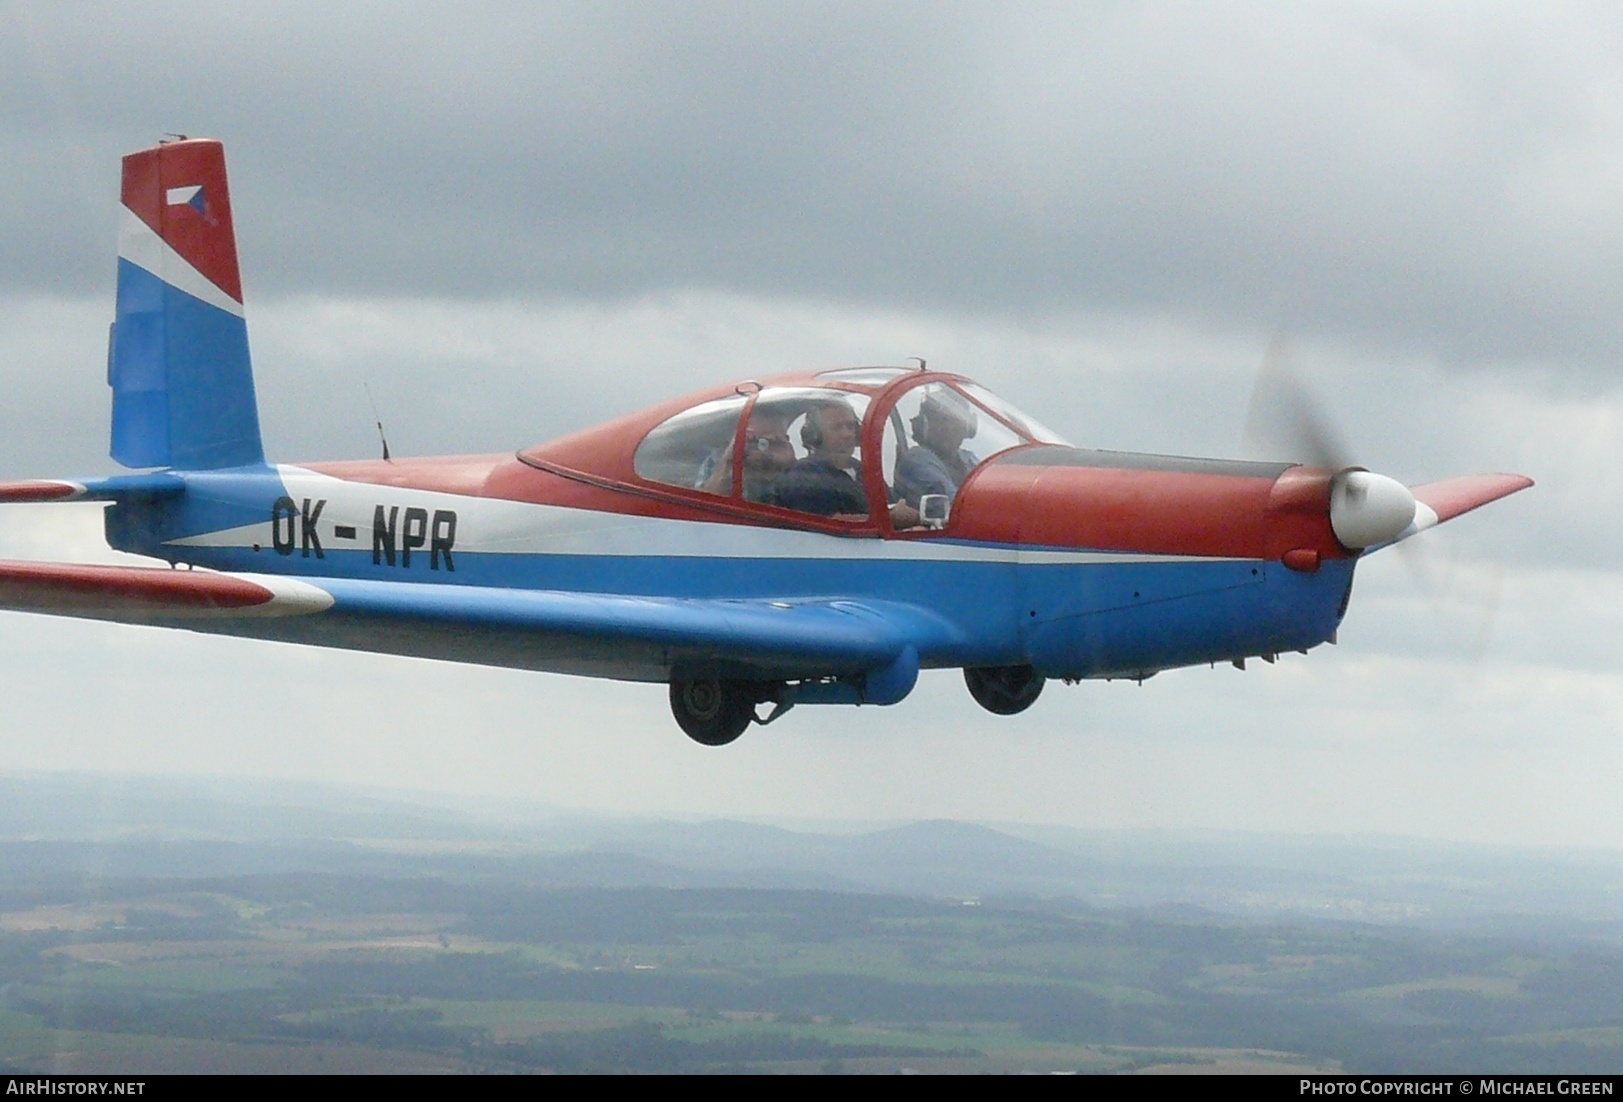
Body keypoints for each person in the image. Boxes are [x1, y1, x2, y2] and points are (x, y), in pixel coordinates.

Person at [768, 400, 920, 527]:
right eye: (837, 427)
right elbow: (829, 524)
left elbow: (891, 504)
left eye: (850, 426)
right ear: (813, 435)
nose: (847, 434)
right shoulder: (803, 476)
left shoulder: (863, 470)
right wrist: (890, 518)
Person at [894, 388, 979, 507]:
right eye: (943, 420)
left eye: (957, 420)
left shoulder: (969, 459)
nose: (950, 427)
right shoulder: (917, 459)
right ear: (924, 423)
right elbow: (957, 506)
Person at [696, 408, 795, 500]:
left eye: (771, 442)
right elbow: (707, 501)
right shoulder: (717, 460)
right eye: (752, 439)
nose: (760, 447)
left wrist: (787, 464)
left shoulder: (792, 468)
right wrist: (731, 460)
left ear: (786, 439)